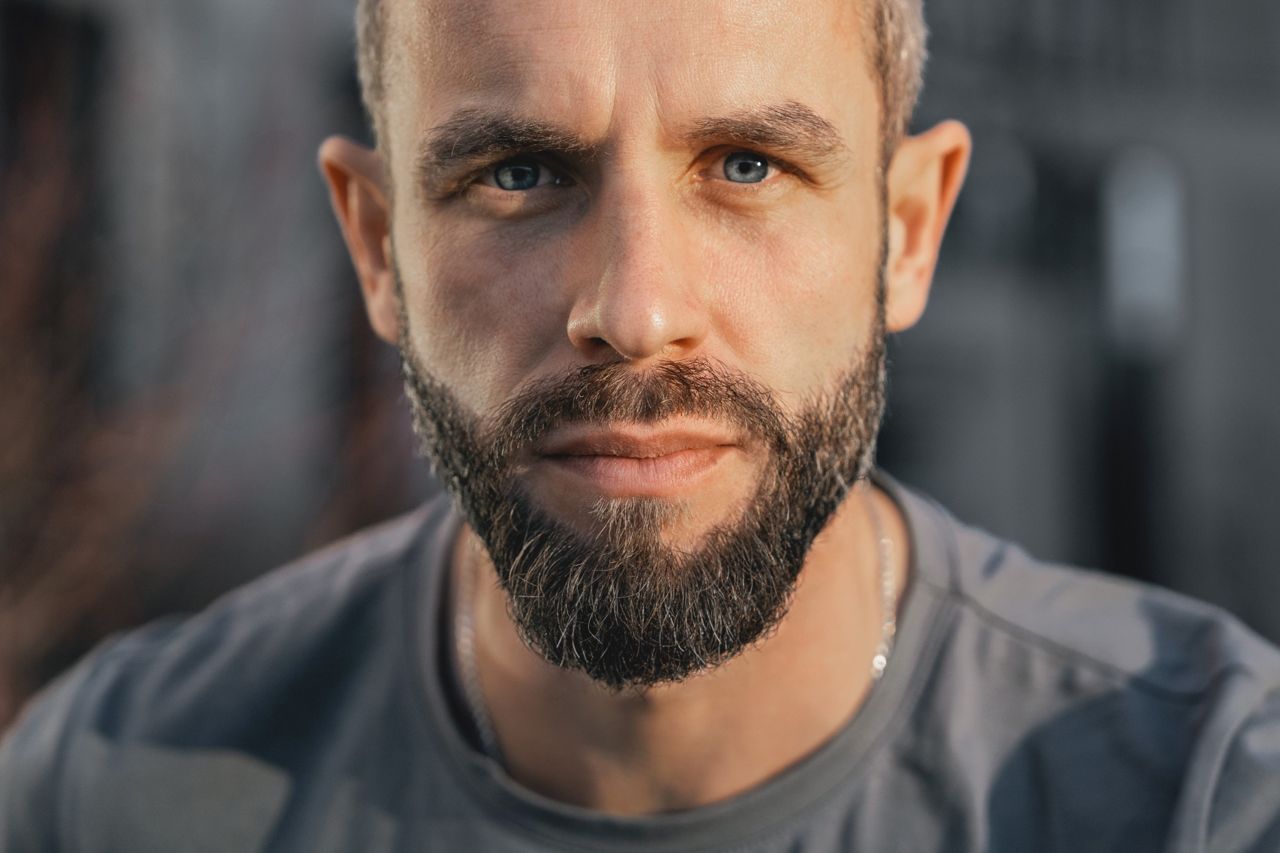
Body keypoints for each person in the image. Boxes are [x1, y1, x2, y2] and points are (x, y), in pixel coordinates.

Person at [3, 0, 1279, 849]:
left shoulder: (1199, 796)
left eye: (745, 167)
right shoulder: (121, 788)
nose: (633, 308)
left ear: (905, 230)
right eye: (518, 175)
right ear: (379, 245)